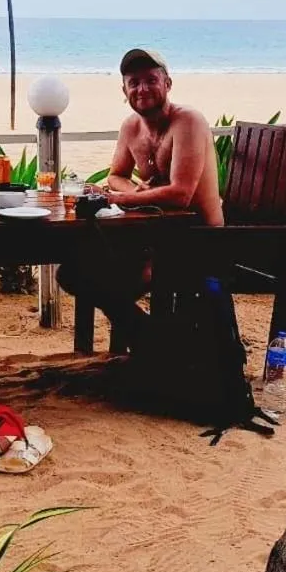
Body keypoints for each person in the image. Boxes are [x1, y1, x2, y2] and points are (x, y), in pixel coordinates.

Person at [57, 47, 224, 351]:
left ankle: (150, 342)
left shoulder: (188, 121)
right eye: (134, 83)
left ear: (167, 84)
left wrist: (119, 198)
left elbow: (181, 194)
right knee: (73, 268)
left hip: (198, 238)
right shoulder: (131, 127)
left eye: (151, 80)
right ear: (124, 91)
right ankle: (148, 336)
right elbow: (116, 174)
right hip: (155, 234)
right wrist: (135, 192)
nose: (142, 89)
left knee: (104, 273)